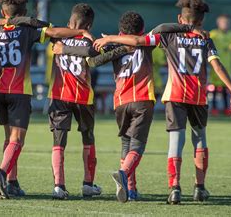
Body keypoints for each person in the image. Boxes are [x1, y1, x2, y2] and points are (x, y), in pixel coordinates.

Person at [95, 0, 231, 204]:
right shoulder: (206, 38)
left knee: (175, 142)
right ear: (201, 21)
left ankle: (175, 189)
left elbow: (137, 41)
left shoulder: (168, 37)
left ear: (180, 18)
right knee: (199, 139)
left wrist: (109, 38)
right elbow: (217, 66)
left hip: (174, 95)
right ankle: (199, 188)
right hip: (198, 96)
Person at [0, 0, 93, 199]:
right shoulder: (28, 29)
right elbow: (54, 31)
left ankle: (12, 182)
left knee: (8, 138)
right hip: (19, 90)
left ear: (2, 10)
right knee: (17, 139)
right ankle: (1, 173)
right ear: (25, 10)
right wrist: (80, 32)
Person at [4, 4, 130, 200]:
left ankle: (58, 186)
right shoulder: (90, 40)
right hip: (83, 98)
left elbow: (32, 22)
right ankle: (88, 184)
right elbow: (95, 56)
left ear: (70, 21)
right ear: (88, 24)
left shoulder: (57, 34)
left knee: (58, 143)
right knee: (88, 138)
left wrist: (8, 21)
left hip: (58, 96)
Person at [87, 12, 204, 203]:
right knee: (138, 145)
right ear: (142, 30)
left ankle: (131, 191)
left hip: (121, 102)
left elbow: (92, 61)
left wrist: (110, 43)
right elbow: (164, 28)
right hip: (143, 99)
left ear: (121, 31)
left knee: (126, 143)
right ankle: (124, 175)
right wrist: (190, 28)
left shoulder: (115, 46)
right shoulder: (147, 42)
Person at [208, 14, 231, 116]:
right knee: (214, 89)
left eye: (227, 23)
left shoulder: (230, 34)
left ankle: (226, 108)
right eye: (223, 22)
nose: (225, 24)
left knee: (226, 89)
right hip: (215, 66)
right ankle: (214, 109)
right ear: (218, 23)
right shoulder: (214, 34)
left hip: (227, 66)